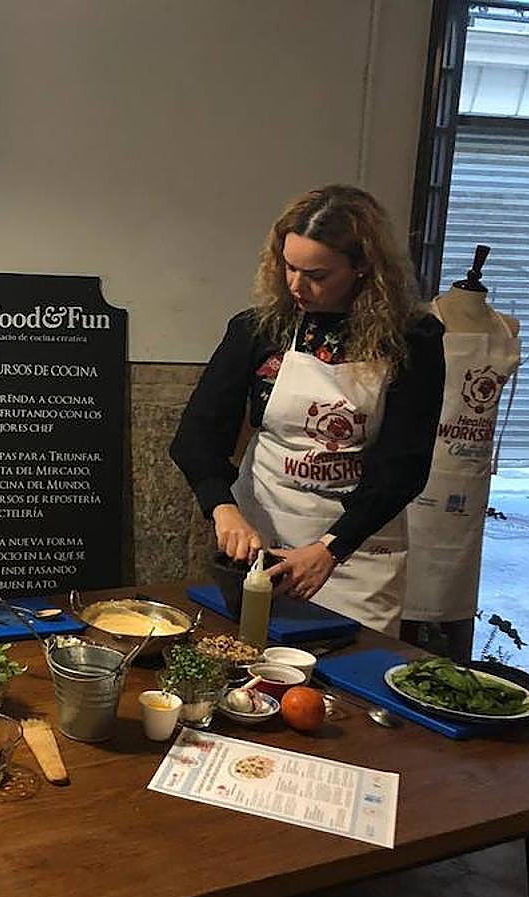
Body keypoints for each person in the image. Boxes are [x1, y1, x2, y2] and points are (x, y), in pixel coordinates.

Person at [170, 185, 445, 636]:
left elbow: (404, 466)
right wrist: (222, 508)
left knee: (349, 684)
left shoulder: (413, 341)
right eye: (288, 266)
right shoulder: (260, 330)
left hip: (358, 552)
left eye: (317, 274)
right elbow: (196, 437)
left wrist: (332, 548)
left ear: (363, 268)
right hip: (262, 544)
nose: (296, 285)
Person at [401, 263, 520, 661]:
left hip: (469, 479)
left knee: (455, 583)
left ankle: (452, 658)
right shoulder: (421, 322)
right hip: (422, 471)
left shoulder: (508, 328)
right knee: (408, 579)